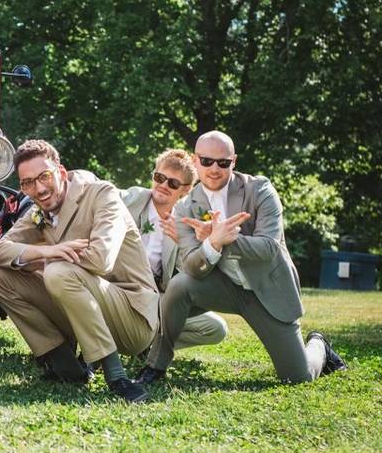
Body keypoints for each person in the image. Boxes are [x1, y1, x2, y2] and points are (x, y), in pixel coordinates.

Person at [137, 131, 346, 385]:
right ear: (195, 160)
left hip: (266, 291)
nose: (214, 169)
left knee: (298, 377)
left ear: (233, 161)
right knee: (179, 287)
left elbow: (270, 248)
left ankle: (318, 345)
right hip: (221, 287)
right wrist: (211, 244)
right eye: (206, 161)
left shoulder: (260, 190)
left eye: (223, 162)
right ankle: (156, 365)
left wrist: (222, 239)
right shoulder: (185, 207)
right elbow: (193, 266)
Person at [0, 140, 158, 403]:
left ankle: (117, 377)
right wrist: (46, 252)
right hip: (82, 305)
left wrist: (51, 260)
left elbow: (101, 260)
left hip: (131, 317)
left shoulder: (102, 194)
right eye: (28, 182)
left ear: (61, 173)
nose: (39, 188)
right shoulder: (38, 211)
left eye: (44, 176)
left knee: (58, 272)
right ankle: (65, 365)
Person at [120, 149, 227, 352]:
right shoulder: (133, 199)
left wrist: (183, 241)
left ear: (185, 190)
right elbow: (102, 192)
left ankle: (148, 346)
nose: (163, 185)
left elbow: (189, 273)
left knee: (216, 328)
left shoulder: (185, 221)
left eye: (173, 183)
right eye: (159, 177)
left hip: (156, 299)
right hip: (119, 289)